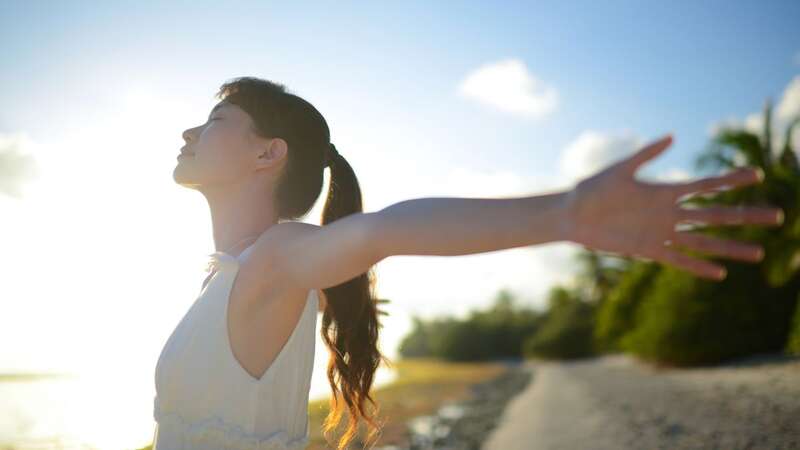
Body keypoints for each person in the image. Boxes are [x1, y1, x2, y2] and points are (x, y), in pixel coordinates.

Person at [154, 76, 784, 450]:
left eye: (215, 120)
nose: (190, 133)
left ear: (268, 154)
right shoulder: (235, 273)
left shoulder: (277, 255)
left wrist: (566, 213)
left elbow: (387, 229)